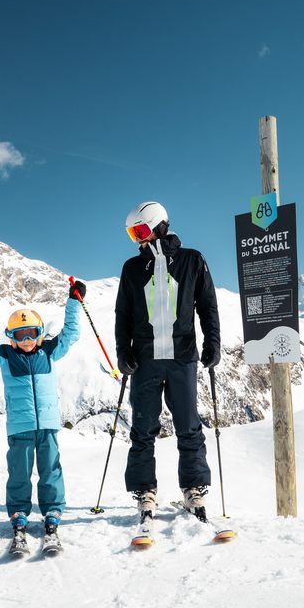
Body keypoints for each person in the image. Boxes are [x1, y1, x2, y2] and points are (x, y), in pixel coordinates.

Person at [115, 201, 221, 526]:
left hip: (183, 357)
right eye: (133, 233)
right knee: (143, 429)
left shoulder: (192, 260)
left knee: (189, 426)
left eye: (140, 231)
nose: (137, 239)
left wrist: (213, 342)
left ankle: (193, 489)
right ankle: (144, 492)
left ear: (159, 225)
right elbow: (123, 315)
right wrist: (123, 351)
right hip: (145, 361)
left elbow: (207, 305)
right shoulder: (132, 268)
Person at [0, 281, 83, 552]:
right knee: (19, 474)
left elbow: (70, 334)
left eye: (31, 333)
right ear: (11, 336)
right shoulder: (5, 356)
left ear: (40, 334)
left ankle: (52, 515)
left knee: (50, 471)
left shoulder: (49, 352)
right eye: (20, 335)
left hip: (47, 426)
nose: (26, 340)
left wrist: (74, 302)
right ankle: (19, 516)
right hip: (19, 428)